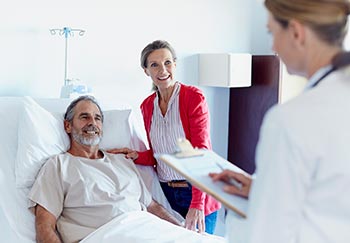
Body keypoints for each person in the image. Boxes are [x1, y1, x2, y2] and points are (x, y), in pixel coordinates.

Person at [210, 0, 350, 242]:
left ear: (296, 32)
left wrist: (250, 208)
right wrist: (262, 187)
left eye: (272, 33)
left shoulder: (291, 119)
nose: (273, 46)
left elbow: (265, 235)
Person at [28, 95, 183, 243]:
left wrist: (183, 231)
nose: (92, 123)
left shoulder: (123, 160)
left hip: (148, 231)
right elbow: (44, 225)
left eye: (97, 118)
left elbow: (153, 207)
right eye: (84, 117)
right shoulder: (58, 166)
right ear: (68, 126)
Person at [108, 40, 221, 234]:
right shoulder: (147, 106)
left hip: (197, 191)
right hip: (167, 192)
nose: (163, 70)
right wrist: (137, 155)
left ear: (175, 64)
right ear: (146, 71)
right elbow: (159, 154)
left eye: (167, 62)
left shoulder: (193, 97)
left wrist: (197, 203)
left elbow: (202, 153)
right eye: (154, 65)